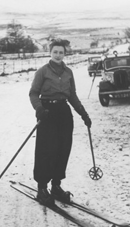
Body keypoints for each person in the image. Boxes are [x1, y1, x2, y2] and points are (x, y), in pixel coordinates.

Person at [29, 39, 91, 206]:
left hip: (64, 113)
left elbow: (72, 96)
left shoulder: (68, 72)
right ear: (50, 53)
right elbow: (33, 94)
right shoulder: (42, 72)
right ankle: (42, 188)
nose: (58, 55)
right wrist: (39, 109)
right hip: (47, 113)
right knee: (46, 151)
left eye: (61, 52)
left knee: (63, 149)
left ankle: (56, 186)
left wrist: (83, 114)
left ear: (65, 54)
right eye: (55, 52)